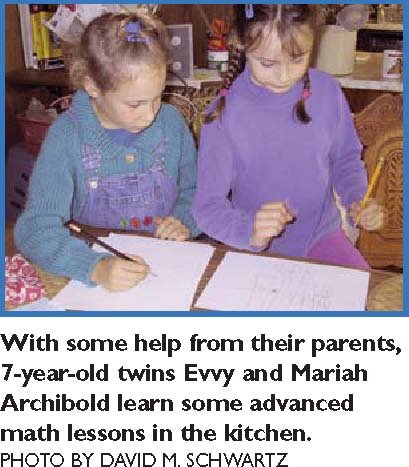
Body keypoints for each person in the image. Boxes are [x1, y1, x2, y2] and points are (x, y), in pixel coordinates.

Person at [14, 12, 200, 291]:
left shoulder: (171, 124)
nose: (150, 115)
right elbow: (35, 230)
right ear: (92, 86)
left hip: (168, 270)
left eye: (158, 97)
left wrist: (185, 220)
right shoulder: (67, 138)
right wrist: (94, 267)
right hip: (95, 276)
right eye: (135, 104)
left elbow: (198, 191)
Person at [192, 4, 384, 270]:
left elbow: (346, 160)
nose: (284, 76)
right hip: (257, 252)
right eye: (267, 63)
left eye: (297, 59)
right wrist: (250, 231)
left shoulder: (327, 91)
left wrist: (358, 201)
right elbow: (207, 208)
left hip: (322, 236)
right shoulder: (223, 117)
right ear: (241, 42)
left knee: (362, 298)